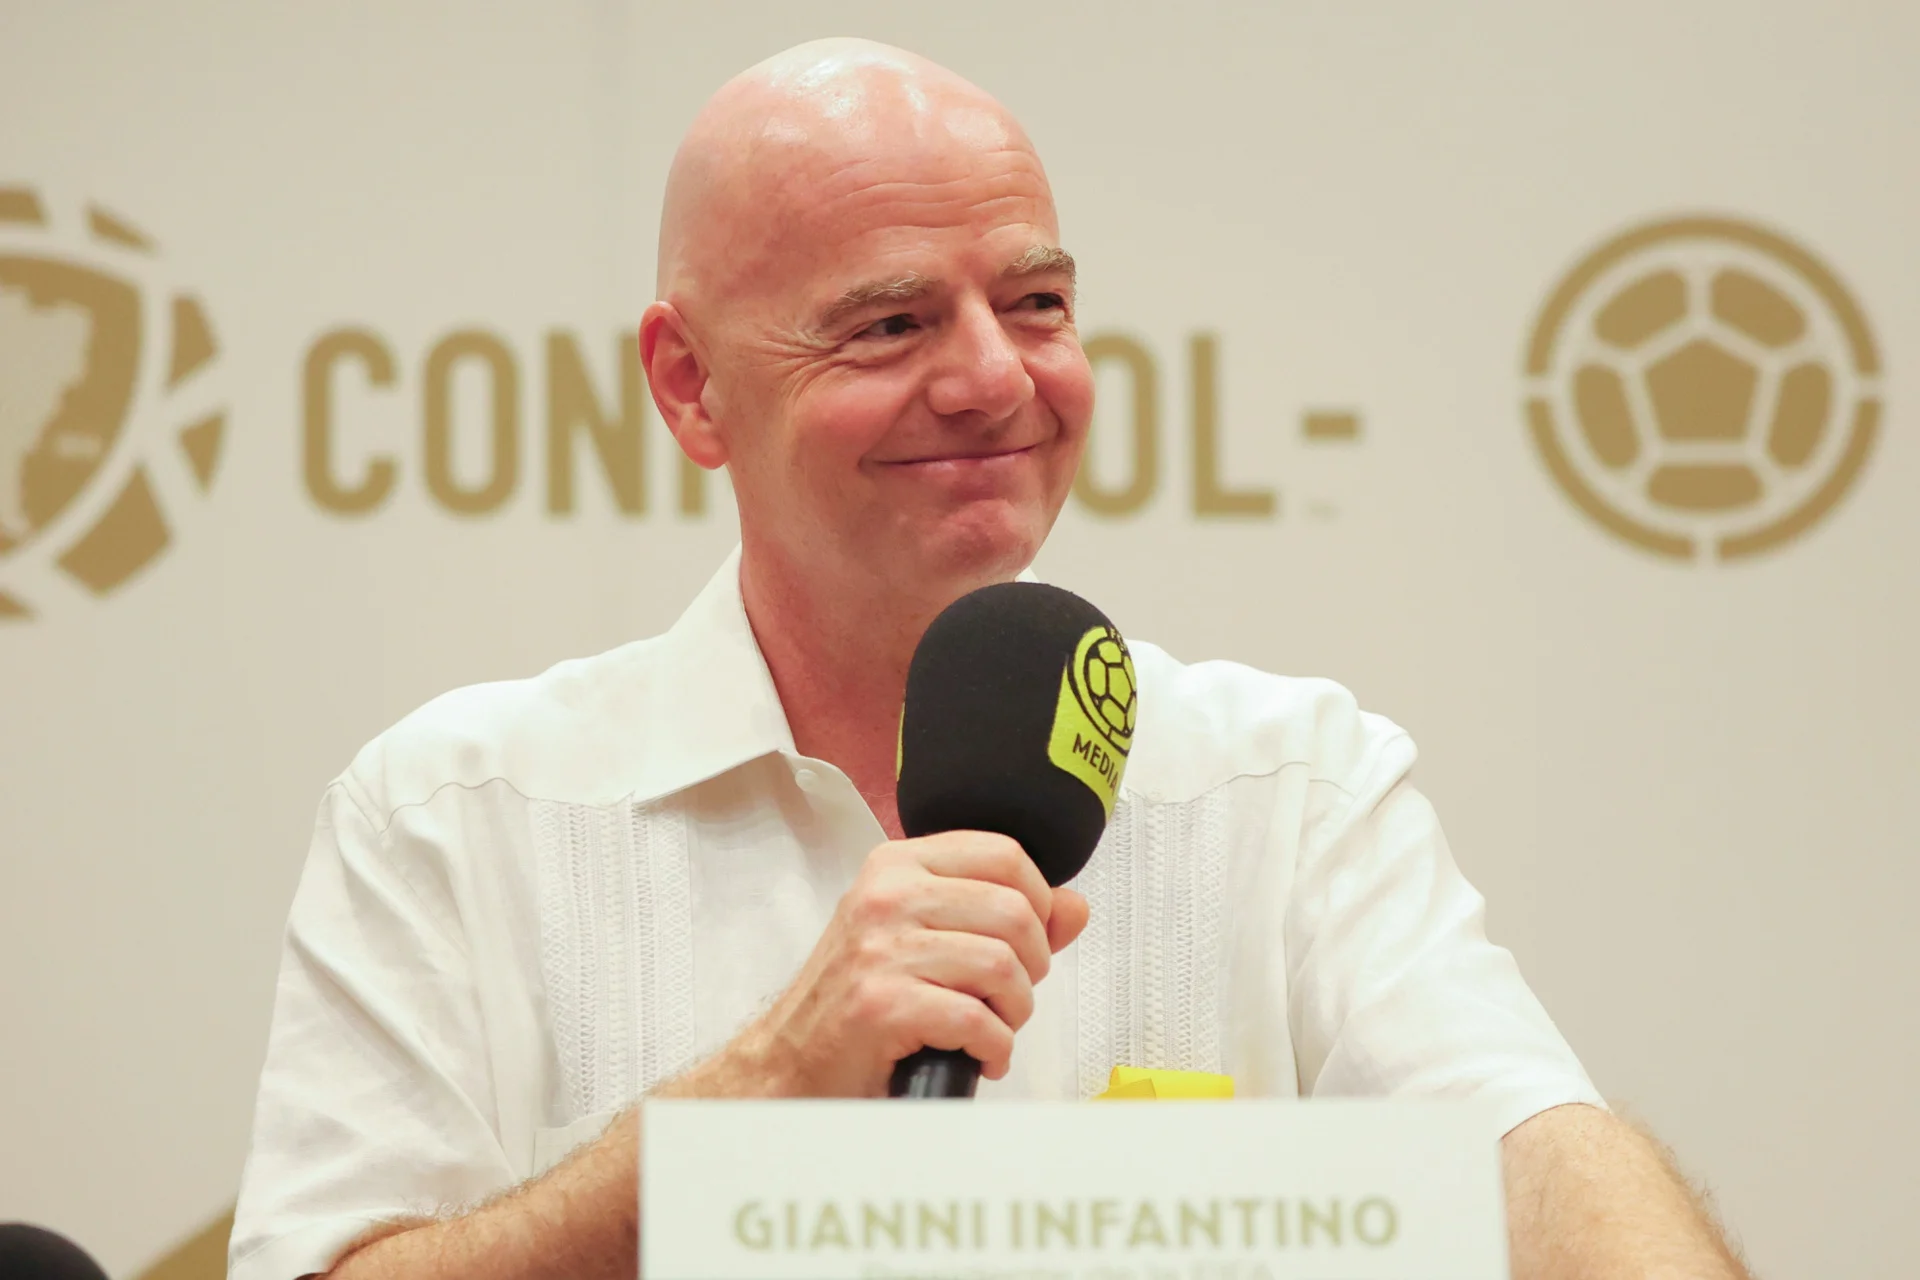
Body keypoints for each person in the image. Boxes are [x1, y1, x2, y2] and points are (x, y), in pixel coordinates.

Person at [229, 38, 1750, 1280]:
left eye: (1037, 305)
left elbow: (1531, 1161)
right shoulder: (451, 814)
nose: (992, 377)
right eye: (890, 324)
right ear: (690, 386)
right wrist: (766, 1092)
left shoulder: (1291, 784)